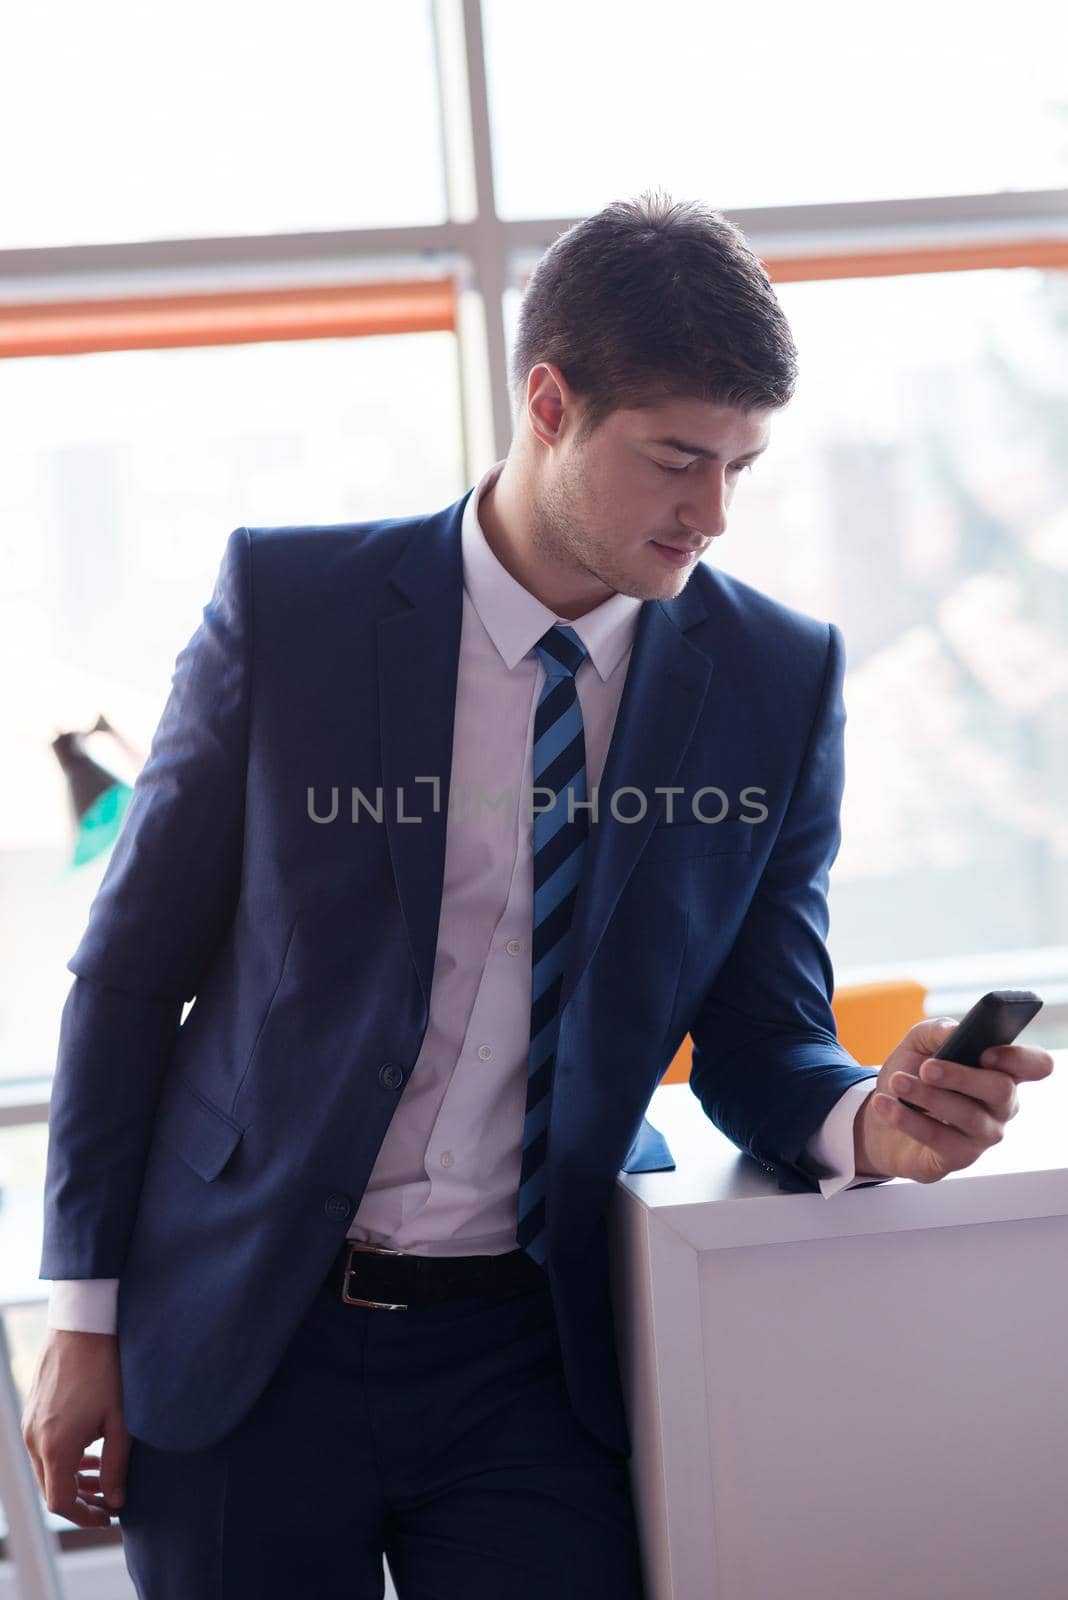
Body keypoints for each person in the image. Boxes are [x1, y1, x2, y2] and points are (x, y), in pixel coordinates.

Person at [21, 191, 1053, 1599]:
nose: (714, 516)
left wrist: (876, 1120)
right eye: (678, 461)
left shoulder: (775, 679)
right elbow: (133, 978)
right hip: (253, 1328)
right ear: (550, 401)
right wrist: (84, 1316)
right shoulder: (294, 608)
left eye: (743, 465)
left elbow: (763, 1031)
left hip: (537, 1356)